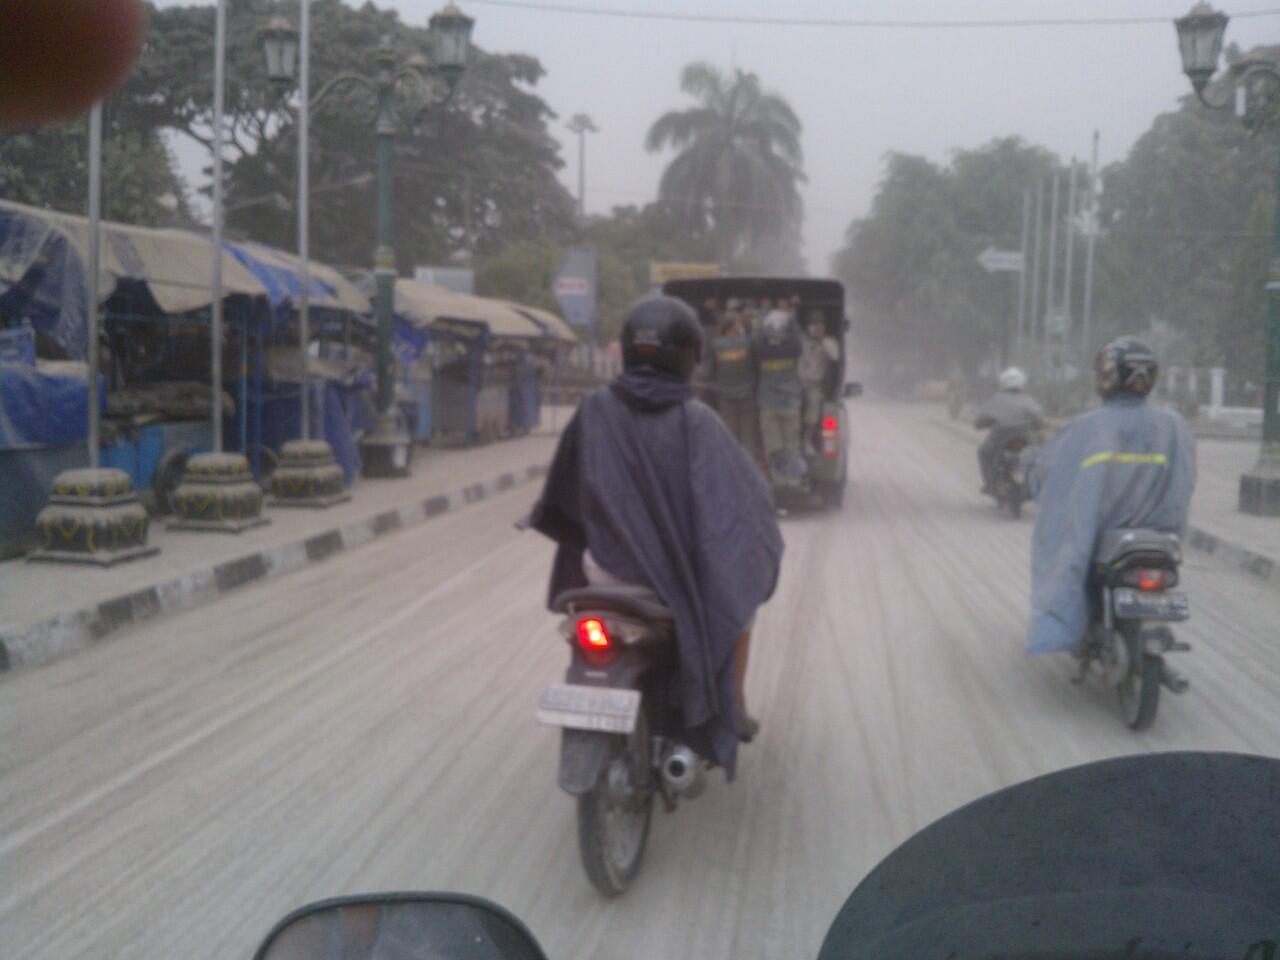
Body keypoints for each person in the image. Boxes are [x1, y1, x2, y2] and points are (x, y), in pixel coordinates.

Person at [527, 295, 783, 772]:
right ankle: (731, 707)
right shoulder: (698, 421)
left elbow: (563, 493)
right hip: (669, 590)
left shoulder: (594, 409)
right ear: (688, 355)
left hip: (601, 576)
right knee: (741, 606)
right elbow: (740, 508)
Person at [1026, 337, 1196, 655]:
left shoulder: (1086, 427)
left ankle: (1067, 629)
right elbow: (1185, 480)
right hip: (1159, 535)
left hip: (1101, 534)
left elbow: (1050, 473)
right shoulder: (1174, 425)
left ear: (1108, 376)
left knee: (1064, 563)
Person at [753, 308, 805, 490]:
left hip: (767, 405)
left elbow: (757, 337)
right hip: (791, 404)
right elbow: (797, 336)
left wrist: (762, 316)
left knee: (774, 448)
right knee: (792, 445)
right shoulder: (792, 348)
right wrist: (793, 317)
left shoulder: (762, 350)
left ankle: (779, 484)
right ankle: (794, 482)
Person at [974, 367, 1044, 494]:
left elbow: (981, 418)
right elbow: (1038, 418)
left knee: (983, 453)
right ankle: (1034, 485)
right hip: (1025, 436)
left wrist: (980, 424)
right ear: (1022, 382)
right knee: (1036, 457)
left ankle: (990, 483)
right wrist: (1038, 425)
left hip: (1000, 435)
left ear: (1003, 382)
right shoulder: (1028, 399)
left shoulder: (996, 399)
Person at [711, 304, 760, 460]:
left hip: (726, 397)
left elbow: (712, 370)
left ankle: (731, 469)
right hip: (747, 396)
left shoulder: (716, 346)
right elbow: (756, 364)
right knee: (748, 437)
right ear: (734, 327)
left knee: (729, 436)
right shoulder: (747, 343)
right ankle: (748, 468)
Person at [798, 310, 840, 454]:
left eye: (820, 324)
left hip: (814, 384)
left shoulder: (828, 343)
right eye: (814, 324)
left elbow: (835, 356)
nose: (818, 327)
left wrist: (821, 341)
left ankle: (807, 440)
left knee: (813, 403)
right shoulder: (801, 340)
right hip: (795, 383)